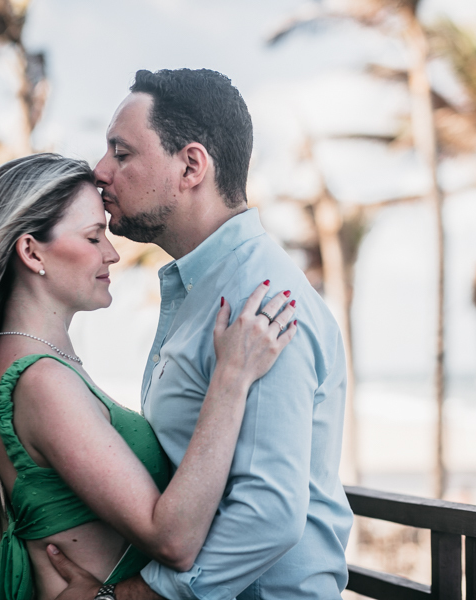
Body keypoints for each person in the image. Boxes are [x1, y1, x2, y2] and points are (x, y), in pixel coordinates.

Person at [0, 153, 299, 600]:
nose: (112, 253)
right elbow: (173, 540)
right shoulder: (41, 381)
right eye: (92, 236)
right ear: (31, 251)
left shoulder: (38, 363)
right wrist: (232, 378)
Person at [47, 68, 353, 600]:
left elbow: (269, 514)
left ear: (191, 166)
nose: (100, 170)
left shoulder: (261, 299)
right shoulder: (206, 288)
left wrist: (132, 597)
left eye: (122, 153)